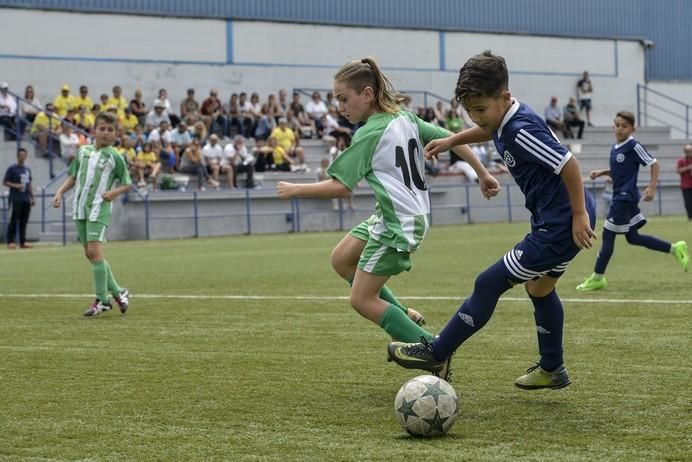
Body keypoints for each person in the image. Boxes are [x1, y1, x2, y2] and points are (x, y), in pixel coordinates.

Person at [387, 51, 596, 388]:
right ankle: (553, 368)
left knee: (488, 282)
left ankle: (437, 350)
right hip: (555, 219)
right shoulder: (503, 119)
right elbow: (489, 130)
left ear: (505, 97)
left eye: (480, 110)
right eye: (469, 111)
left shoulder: (520, 130)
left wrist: (578, 215)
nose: (475, 117)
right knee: (540, 288)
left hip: (559, 224)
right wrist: (453, 140)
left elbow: (569, 164)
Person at [277, 57, 500, 352]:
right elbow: (453, 138)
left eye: (344, 99)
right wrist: (482, 173)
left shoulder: (369, 133)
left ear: (367, 94)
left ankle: (434, 350)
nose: (340, 107)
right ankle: (405, 315)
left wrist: (296, 189)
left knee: (361, 299)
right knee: (342, 259)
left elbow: (341, 187)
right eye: (336, 101)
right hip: (399, 216)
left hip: (399, 224)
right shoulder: (405, 118)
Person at [576, 112, 688, 291]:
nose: (619, 128)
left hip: (625, 199)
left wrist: (651, 187)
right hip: (621, 196)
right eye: (617, 125)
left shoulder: (633, 146)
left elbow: (654, 163)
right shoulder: (615, 147)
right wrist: (602, 173)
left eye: (624, 126)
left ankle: (597, 277)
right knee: (633, 238)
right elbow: (619, 171)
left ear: (632, 129)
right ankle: (675, 248)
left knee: (607, 235)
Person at [51, 112, 132, 316]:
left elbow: (127, 183)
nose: (105, 133)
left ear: (115, 134)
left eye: (110, 130)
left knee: (94, 253)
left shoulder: (115, 157)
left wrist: (112, 193)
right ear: (94, 130)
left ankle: (102, 300)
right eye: (102, 128)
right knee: (91, 254)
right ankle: (119, 292)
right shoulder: (83, 151)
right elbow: (73, 176)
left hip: (99, 208)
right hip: (80, 208)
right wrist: (60, 192)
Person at [4, 148, 34, 249]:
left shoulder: (27, 169)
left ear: (26, 156)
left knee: (24, 221)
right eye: (20, 155)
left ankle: (23, 241)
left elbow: (29, 184)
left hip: (26, 198)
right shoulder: (12, 168)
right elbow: (5, 182)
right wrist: (16, 185)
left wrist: (32, 197)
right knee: (14, 220)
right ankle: (10, 241)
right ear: (17, 156)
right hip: (15, 198)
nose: (22, 157)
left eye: (24, 155)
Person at [677, 144, 692, 220]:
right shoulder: (681, 160)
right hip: (686, 185)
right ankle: (690, 217)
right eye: (688, 151)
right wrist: (688, 168)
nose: (689, 153)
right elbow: (678, 170)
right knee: (688, 203)